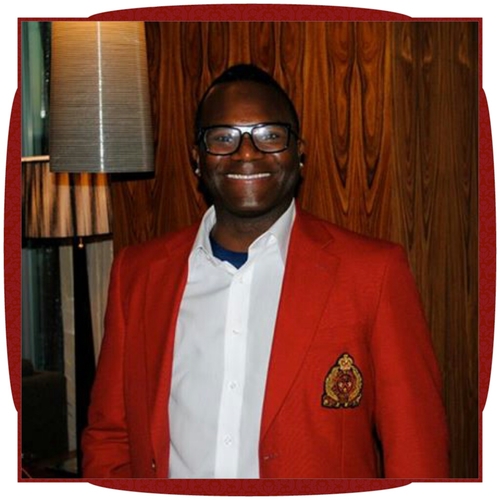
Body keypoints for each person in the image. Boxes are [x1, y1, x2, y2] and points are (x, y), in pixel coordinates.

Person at [81, 64, 449, 479]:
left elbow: (417, 448)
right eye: (223, 137)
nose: (246, 153)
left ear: (299, 151)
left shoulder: (372, 274)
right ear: (197, 157)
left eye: (270, 135)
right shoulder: (137, 274)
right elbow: (110, 436)